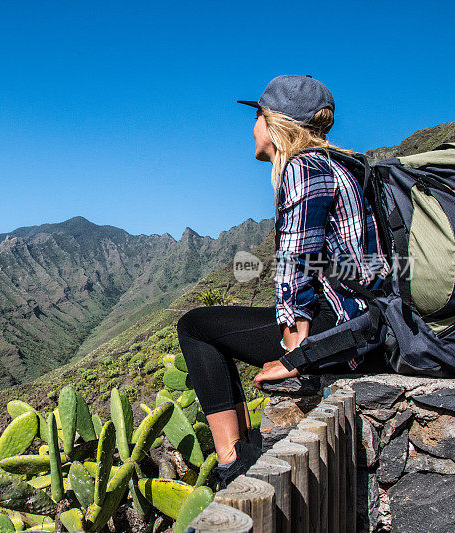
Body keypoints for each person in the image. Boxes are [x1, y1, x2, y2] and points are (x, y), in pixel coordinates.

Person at [175, 75, 390, 488]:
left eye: (256, 115)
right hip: (363, 324)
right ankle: (242, 452)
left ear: (273, 122)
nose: (252, 127)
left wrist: (296, 357)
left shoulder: (303, 168)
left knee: (195, 327)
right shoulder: (339, 166)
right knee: (207, 325)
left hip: (342, 329)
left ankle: (232, 464)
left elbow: (297, 263)